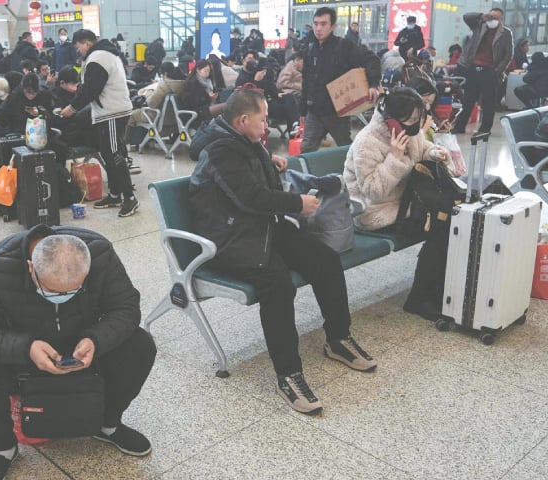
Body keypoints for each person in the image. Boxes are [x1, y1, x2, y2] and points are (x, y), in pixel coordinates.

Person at [189, 88, 377, 415]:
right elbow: (249, 197)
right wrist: (297, 204)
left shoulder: (241, 139)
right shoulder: (220, 150)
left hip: (259, 228)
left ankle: (338, 338)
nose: (266, 125)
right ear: (243, 119)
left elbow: (251, 185)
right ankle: (288, 373)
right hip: (229, 239)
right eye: (262, 120)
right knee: (277, 285)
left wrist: (269, 164)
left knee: (325, 260)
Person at [0, 227, 157, 480]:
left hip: (84, 352)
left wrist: (96, 339)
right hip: (23, 358)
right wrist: (26, 348)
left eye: (74, 290)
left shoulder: (100, 254)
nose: (63, 298)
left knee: (140, 345)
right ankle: (3, 447)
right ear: (31, 269)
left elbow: (126, 309)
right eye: (53, 291)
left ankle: (108, 425)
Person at [343, 87, 453, 320]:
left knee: (452, 217)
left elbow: (422, 148)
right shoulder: (367, 142)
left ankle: (435, 291)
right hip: (374, 212)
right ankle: (420, 299)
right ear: (391, 119)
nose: (415, 125)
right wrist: (394, 157)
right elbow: (373, 191)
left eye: (418, 120)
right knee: (441, 225)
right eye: (411, 119)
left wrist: (434, 153)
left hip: (402, 203)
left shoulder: (407, 131)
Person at [60, 29, 140, 217]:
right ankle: (114, 194)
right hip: (110, 111)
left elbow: (91, 90)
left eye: (78, 46)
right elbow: (94, 85)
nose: (78, 50)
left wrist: (72, 108)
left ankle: (129, 198)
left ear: (86, 42)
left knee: (114, 154)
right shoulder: (105, 54)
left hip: (112, 112)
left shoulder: (97, 57)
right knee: (109, 153)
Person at [299, 7, 381, 153]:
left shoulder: (344, 47)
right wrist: (302, 111)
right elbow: (307, 81)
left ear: (333, 27)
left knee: (345, 149)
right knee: (306, 149)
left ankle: (350, 174)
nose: (318, 28)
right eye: (316, 24)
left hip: (337, 111)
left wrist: (373, 84)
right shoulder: (310, 50)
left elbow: (371, 59)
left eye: (323, 24)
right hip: (315, 110)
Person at [450, 9, 513, 135]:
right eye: (490, 17)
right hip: (473, 67)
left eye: (495, 18)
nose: (492, 20)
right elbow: (466, 16)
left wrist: (497, 71)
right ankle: (459, 127)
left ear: (501, 20)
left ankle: (485, 129)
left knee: (488, 102)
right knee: (468, 100)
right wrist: (481, 16)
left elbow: (508, 55)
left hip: (490, 70)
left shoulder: (505, 33)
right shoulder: (479, 26)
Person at [180, 59, 225, 127]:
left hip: (207, 108)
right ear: (198, 70)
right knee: (226, 107)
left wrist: (215, 96)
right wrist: (208, 97)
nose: (207, 73)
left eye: (209, 71)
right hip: (197, 112)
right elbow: (190, 101)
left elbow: (214, 95)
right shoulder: (192, 83)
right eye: (205, 71)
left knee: (227, 107)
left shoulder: (209, 82)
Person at [276, 53, 304, 134]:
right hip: (289, 93)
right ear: (297, 60)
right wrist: (301, 86)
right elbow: (282, 83)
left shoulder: (300, 69)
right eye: (303, 61)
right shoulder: (290, 68)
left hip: (297, 92)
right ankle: (295, 127)